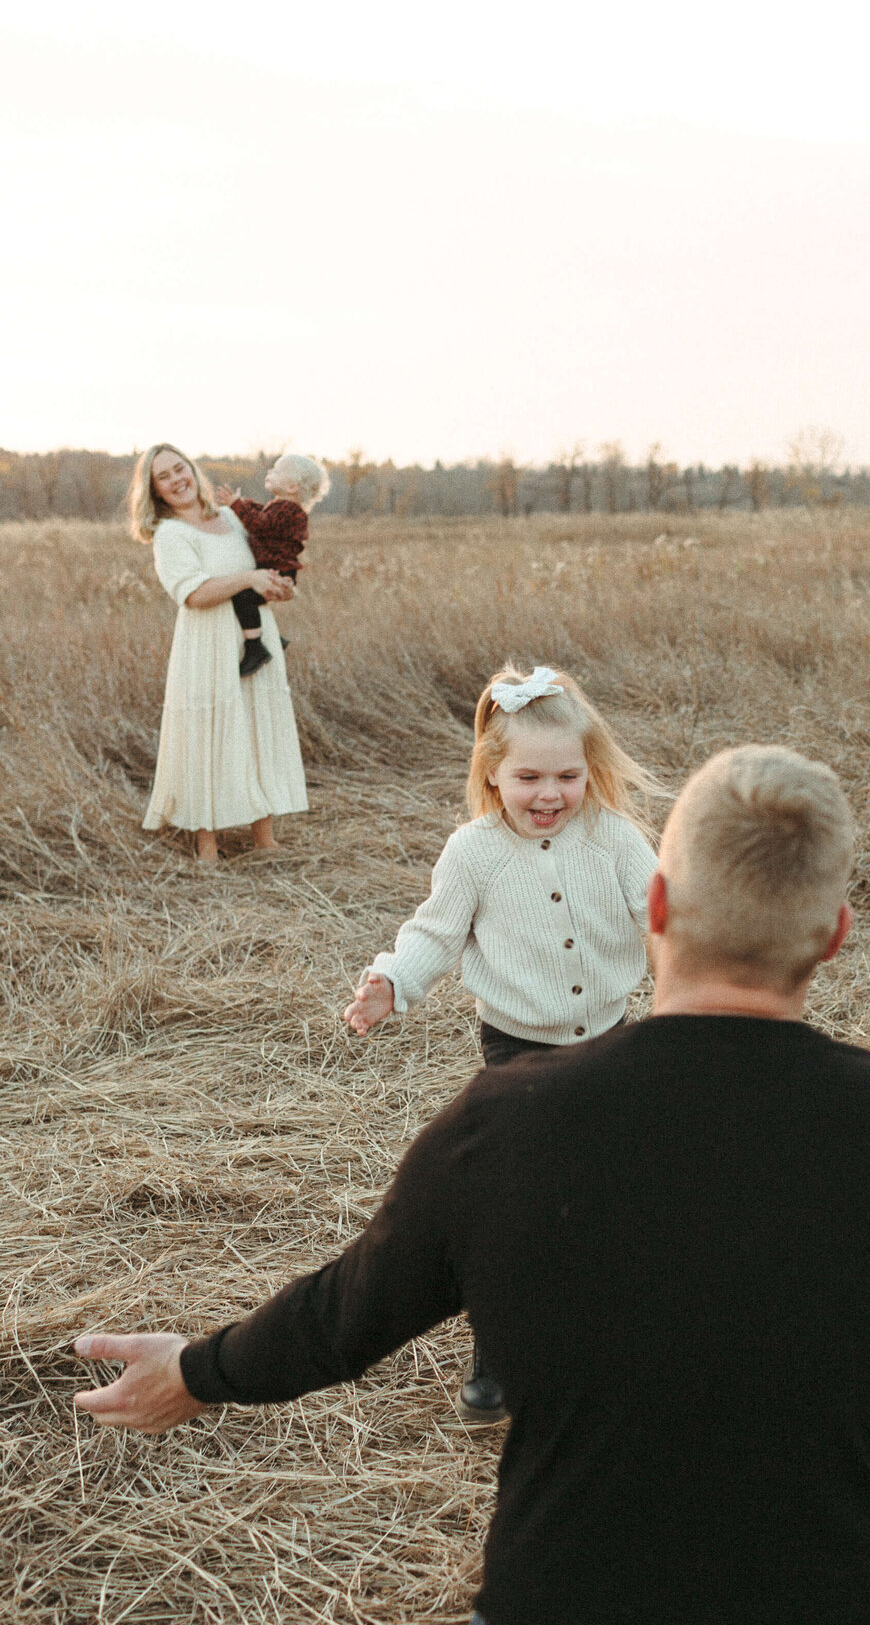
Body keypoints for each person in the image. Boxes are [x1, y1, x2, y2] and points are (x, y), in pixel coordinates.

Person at [73, 744, 870, 1625]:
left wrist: (196, 1371)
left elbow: (340, 1319)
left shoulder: (503, 1126)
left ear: (653, 906)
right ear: (837, 935)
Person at [344, 660, 661, 1423]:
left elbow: (664, 914)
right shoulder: (474, 852)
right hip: (516, 1050)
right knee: (518, 1197)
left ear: (590, 773)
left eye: (566, 776)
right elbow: (434, 933)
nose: (548, 794)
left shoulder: (615, 839)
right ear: (492, 776)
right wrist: (394, 980)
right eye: (528, 778)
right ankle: (501, 1343)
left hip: (610, 1041)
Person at [132, 444, 310, 863]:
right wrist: (248, 576)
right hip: (207, 642)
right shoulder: (170, 533)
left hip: (255, 638)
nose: (178, 480)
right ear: (155, 490)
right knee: (207, 733)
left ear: (192, 470)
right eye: (165, 476)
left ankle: (264, 838)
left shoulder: (230, 517)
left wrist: (278, 586)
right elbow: (194, 594)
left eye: (181, 468)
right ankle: (207, 845)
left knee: (255, 726)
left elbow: (263, 569)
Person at [213, 454, 330, 677]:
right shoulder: (282, 507)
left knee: (243, 598)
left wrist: (237, 505)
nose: (269, 472)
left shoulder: (288, 510)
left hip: (277, 571)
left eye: (276, 471)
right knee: (249, 599)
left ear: (292, 486)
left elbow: (259, 524)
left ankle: (256, 647)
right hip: (276, 569)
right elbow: (261, 514)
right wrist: (241, 504)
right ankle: (273, 638)